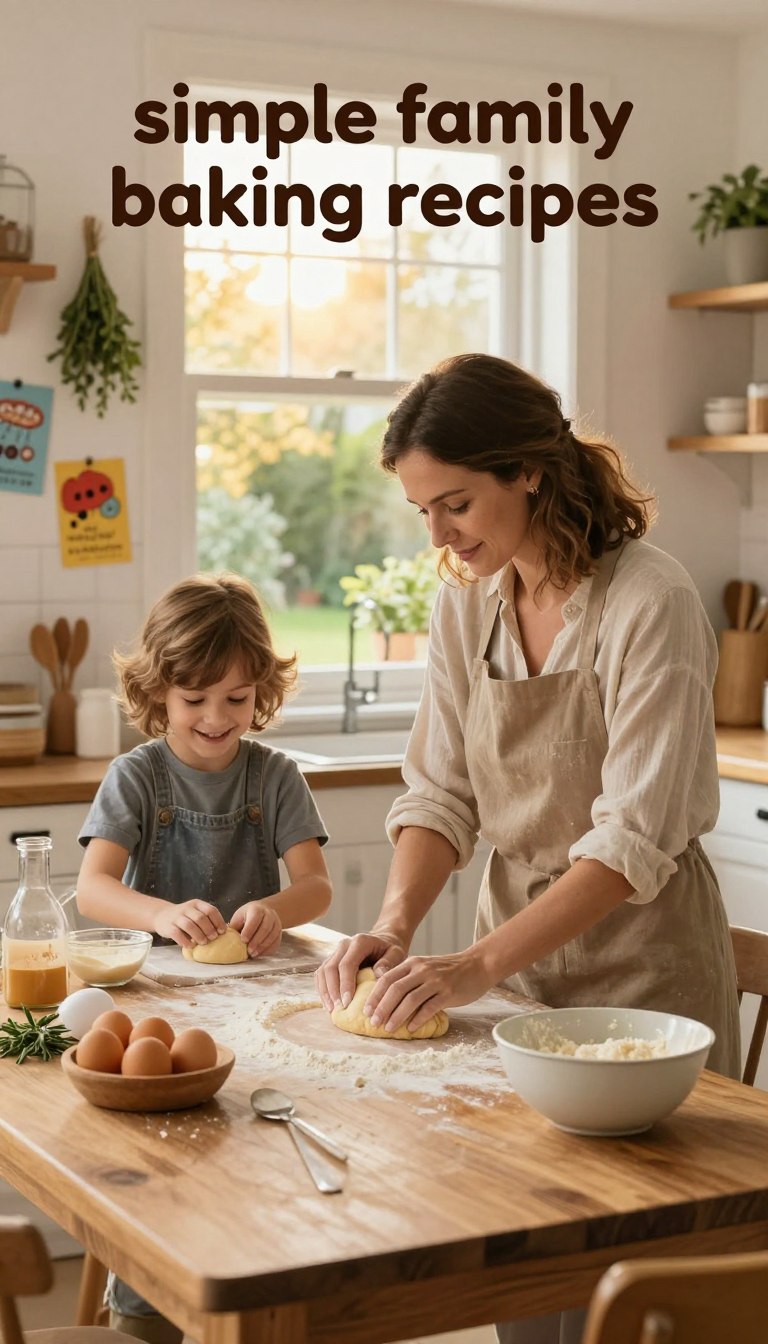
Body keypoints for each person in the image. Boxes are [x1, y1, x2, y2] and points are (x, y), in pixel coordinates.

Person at [316, 353, 740, 1344]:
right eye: (422, 511)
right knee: (523, 1269)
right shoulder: (468, 602)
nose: (440, 536)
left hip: (647, 990)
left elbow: (632, 840)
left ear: (529, 472)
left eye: (455, 504)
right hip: (516, 987)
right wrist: (395, 923)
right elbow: (440, 792)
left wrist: (472, 963)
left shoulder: (650, 602)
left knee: (636, 1293)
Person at [77, 571, 332, 1343]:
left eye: (237, 698)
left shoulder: (275, 777)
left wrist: (272, 910)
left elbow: (315, 887)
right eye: (196, 701)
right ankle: (143, 1308)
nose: (217, 719)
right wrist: (159, 912)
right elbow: (92, 889)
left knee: (248, 1153)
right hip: (163, 1002)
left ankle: (258, 1286)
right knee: (166, 1162)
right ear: (159, 695)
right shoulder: (137, 776)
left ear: (263, 693)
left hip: (255, 1008)